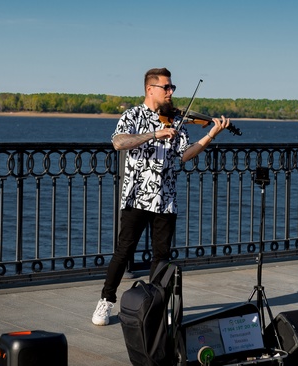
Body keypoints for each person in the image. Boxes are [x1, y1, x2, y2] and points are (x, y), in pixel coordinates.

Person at [92, 67, 230, 326]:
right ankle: (105, 301)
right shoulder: (132, 115)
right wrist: (155, 134)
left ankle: (156, 304)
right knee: (124, 251)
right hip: (137, 196)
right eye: (166, 87)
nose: (171, 92)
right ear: (150, 89)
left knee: (162, 256)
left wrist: (211, 134)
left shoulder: (175, 119)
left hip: (165, 198)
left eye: (172, 87)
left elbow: (185, 154)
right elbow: (119, 143)